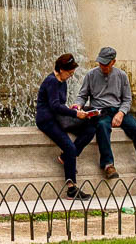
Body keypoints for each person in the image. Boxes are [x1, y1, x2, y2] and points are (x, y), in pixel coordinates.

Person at [76, 47, 136, 189]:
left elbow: (127, 99)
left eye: (106, 64)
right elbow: (82, 95)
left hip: (118, 110)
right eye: (101, 63)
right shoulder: (91, 75)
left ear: (113, 62)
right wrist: (78, 105)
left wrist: (121, 113)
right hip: (100, 111)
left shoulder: (121, 75)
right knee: (102, 126)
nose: (103, 66)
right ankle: (108, 165)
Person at [35, 53, 98, 198]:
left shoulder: (62, 81)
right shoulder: (51, 81)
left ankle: (65, 157)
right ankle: (71, 189)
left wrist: (73, 109)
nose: (71, 76)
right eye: (69, 73)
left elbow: (60, 105)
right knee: (70, 147)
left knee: (90, 129)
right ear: (61, 69)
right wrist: (75, 114)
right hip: (47, 120)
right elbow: (54, 106)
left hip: (59, 118)